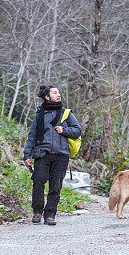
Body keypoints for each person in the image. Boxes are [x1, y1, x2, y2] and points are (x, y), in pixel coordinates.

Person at [23, 84, 82, 225]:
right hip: (42, 154)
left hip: (61, 155)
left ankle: (50, 215)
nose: (58, 95)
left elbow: (77, 131)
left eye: (59, 92)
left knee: (56, 186)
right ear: (47, 97)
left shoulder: (66, 114)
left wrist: (64, 130)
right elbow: (32, 136)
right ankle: (37, 212)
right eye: (55, 93)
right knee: (38, 181)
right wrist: (27, 155)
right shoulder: (39, 115)